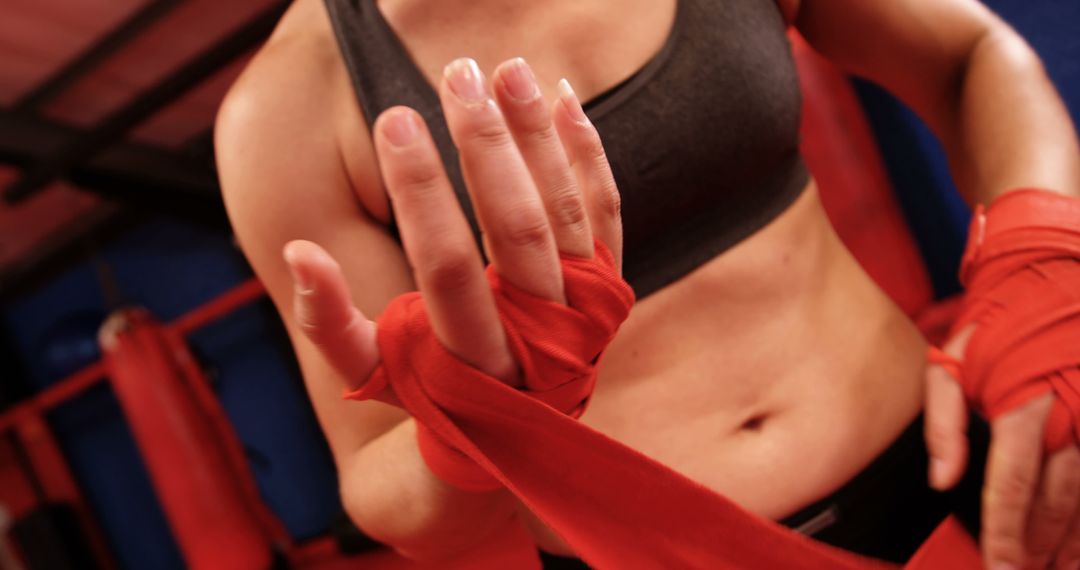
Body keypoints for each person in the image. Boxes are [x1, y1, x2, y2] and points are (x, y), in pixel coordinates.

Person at [214, 0, 1080, 567]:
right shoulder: (286, 107)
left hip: (959, 470)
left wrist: (1041, 258)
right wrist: (471, 419)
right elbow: (380, 484)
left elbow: (971, 55)